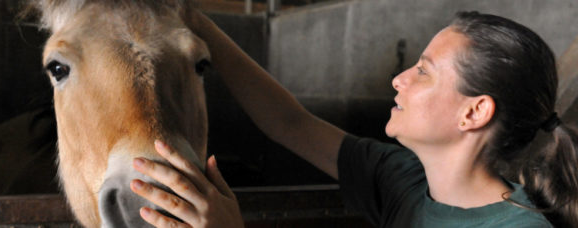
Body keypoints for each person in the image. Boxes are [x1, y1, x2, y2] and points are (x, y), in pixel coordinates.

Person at [129, 10, 578, 227]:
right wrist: (191, 17)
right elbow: (290, 124)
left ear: (474, 112)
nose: (399, 79)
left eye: (423, 71)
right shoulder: (402, 179)